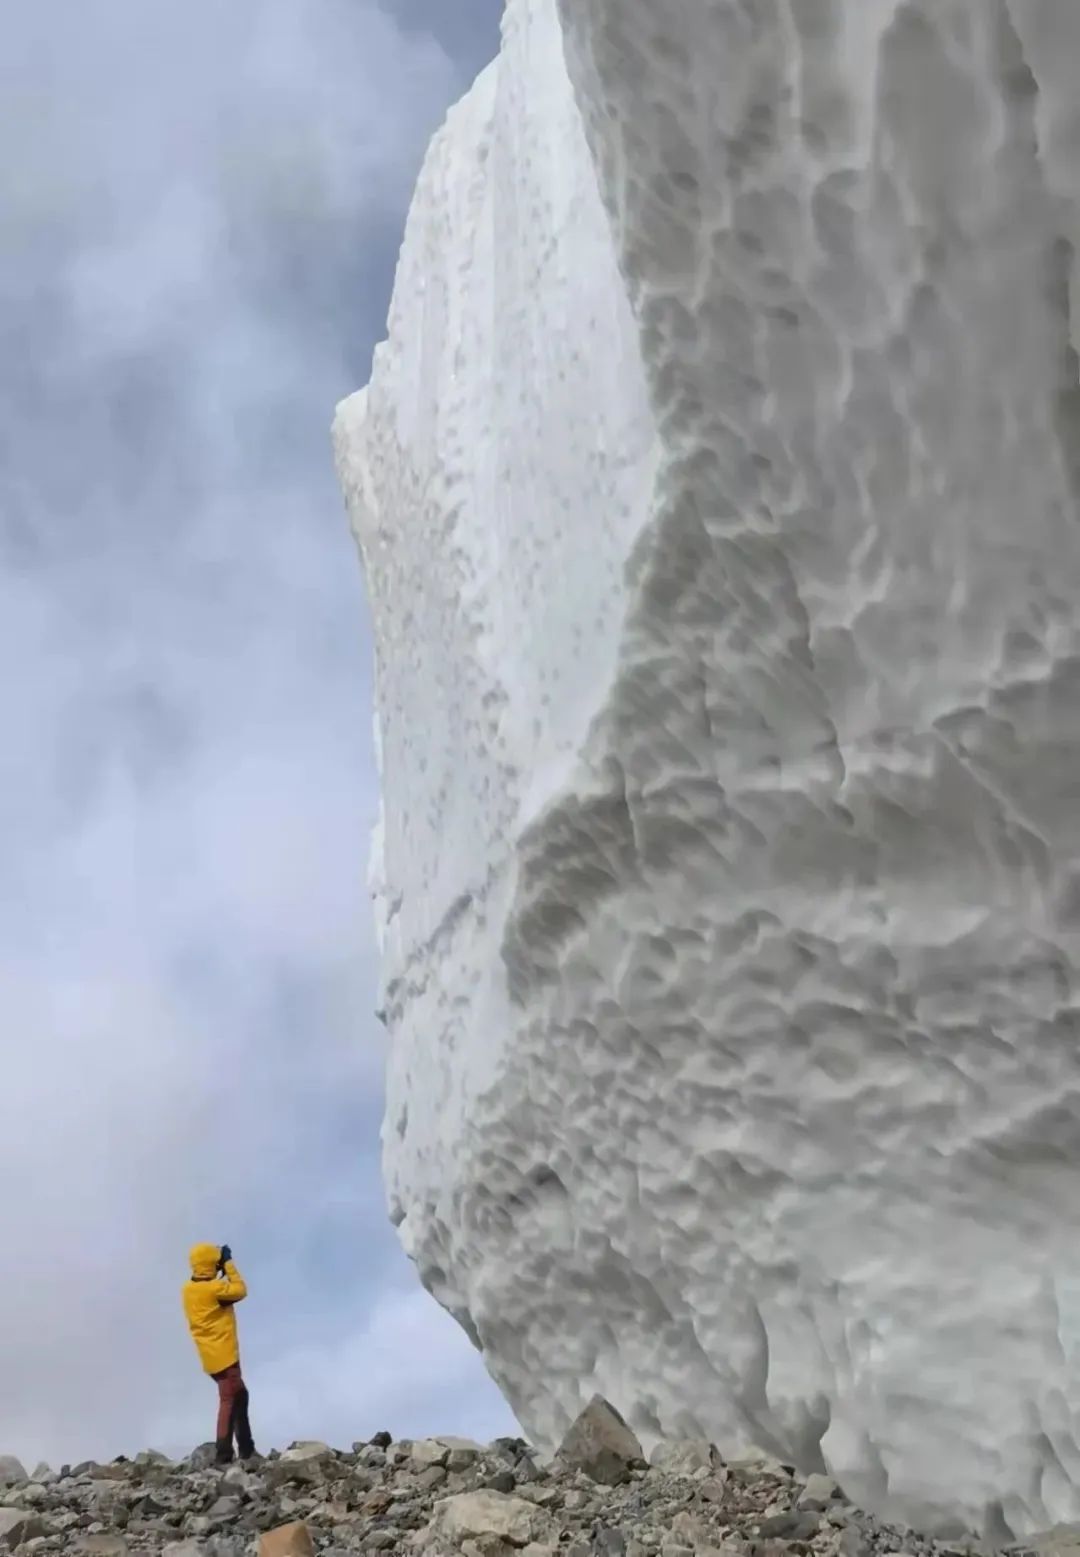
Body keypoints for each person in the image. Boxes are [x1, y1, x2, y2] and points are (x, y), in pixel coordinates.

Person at [182, 1243, 256, 1465]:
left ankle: (246, 1448)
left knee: (240, 1395)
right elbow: (240, 1290)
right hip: (224, 1354)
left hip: (211, 1354)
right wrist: (229, 1264)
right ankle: (224, 1454)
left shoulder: (188, 1289)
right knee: (230, 1399)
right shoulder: (215, 1290)